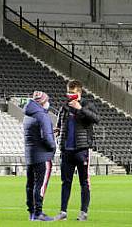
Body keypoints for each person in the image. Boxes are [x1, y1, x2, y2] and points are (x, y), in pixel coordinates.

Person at [56, 80, 100, 222]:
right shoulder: (64, 107)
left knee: (84, 182)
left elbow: (96, 119)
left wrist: (80, 108)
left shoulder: (88, 105)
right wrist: (58, 130)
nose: (70, 95)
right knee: (65, 182)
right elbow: (60, 123)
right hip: (66, 151)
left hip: (81, 150)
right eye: (68, 92)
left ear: (79, 93)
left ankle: (83, 213)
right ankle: (63, 212)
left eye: (73, 93)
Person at [23, 91, 56, 222]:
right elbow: (46, 138)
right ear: (42, 102)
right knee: (40, 185)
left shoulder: (28, 115)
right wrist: (53, 146)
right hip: (42, 156)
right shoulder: (42, 116)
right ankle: (38, 212)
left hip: (31, 155)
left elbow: (35, 133)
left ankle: (32, 212)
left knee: (30, 184)